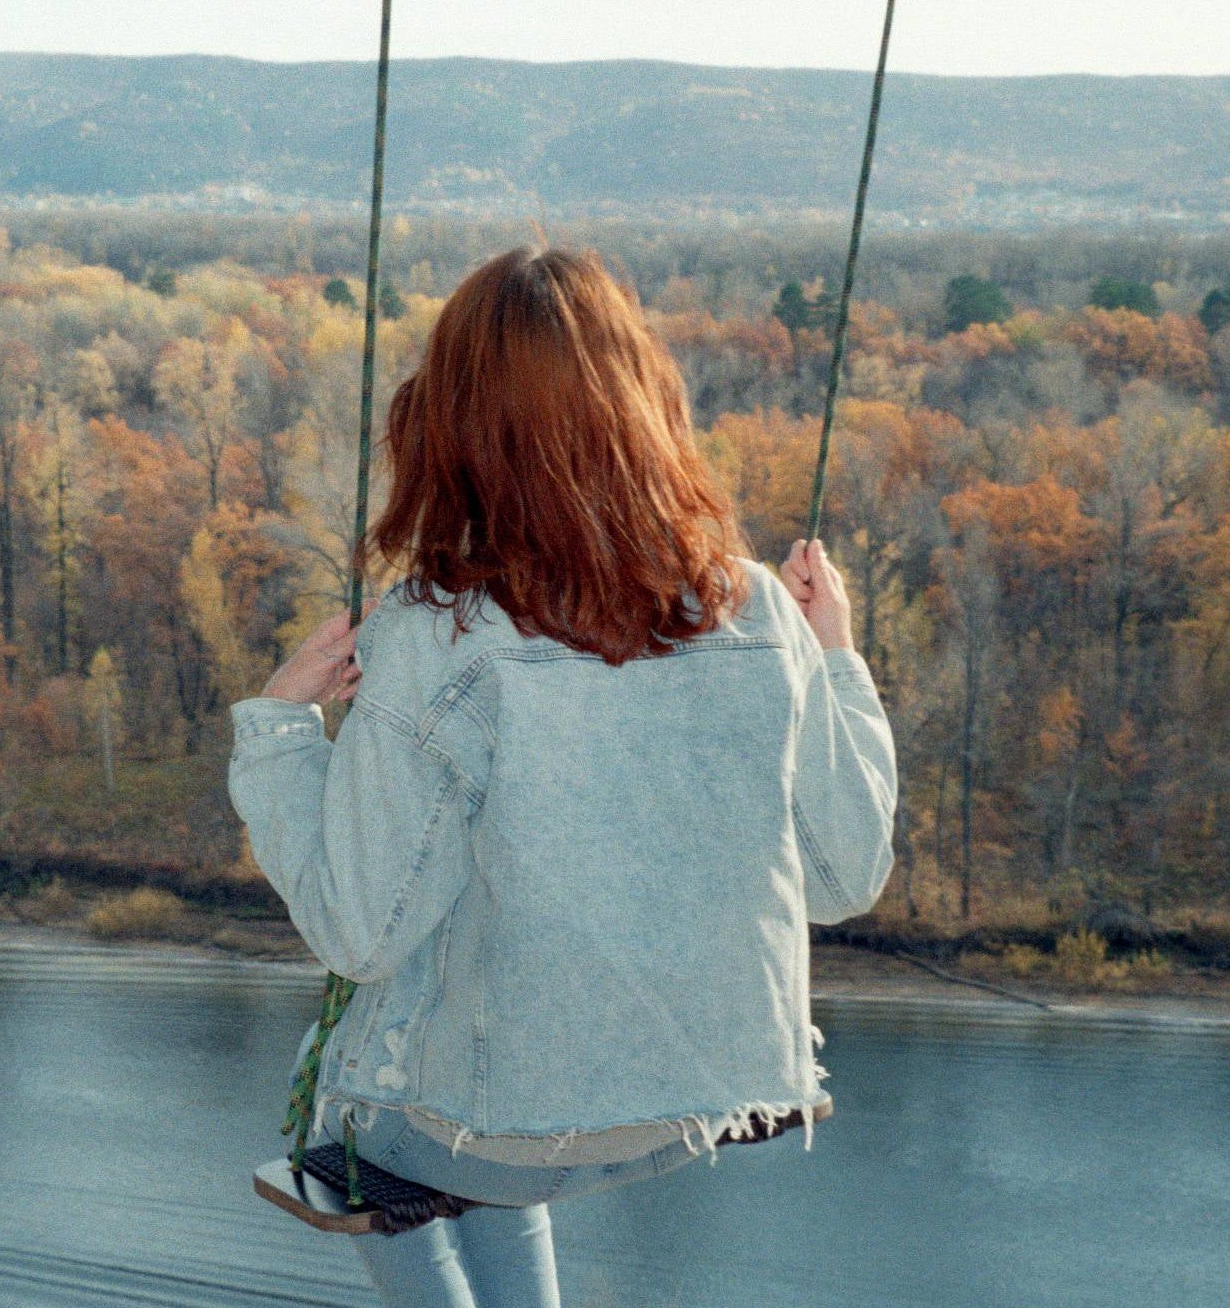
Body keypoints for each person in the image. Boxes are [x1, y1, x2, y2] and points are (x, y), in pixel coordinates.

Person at [229, 246, 896, 1308]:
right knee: (501, 1014)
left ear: (445, 429)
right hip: (698, 1104)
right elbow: (843, 875)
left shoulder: (436, 637)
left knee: (356, 1106)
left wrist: (278, 733)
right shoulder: (761, 609)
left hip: (492, 1133)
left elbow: (360, 929)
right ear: (645, 405)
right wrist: (837, 659)